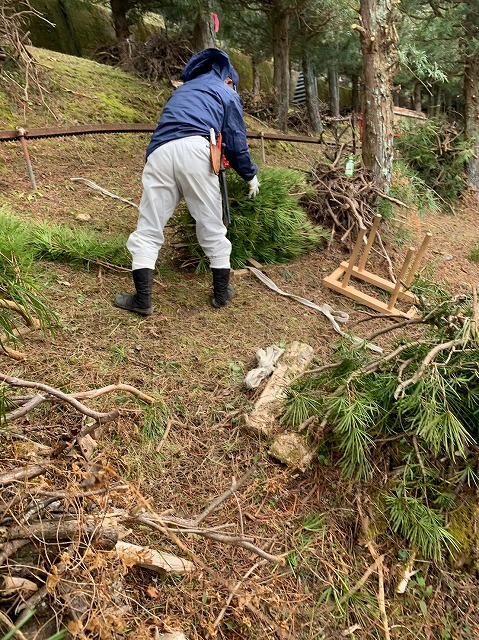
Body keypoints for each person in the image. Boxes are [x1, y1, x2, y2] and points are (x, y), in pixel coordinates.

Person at [114, 47, 259, 316]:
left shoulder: (183, 89)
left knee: (149, 226)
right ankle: (221, 293)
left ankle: (142, 299)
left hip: (159, 152)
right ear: (229, 80)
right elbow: (237, 141)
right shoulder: (225, 91)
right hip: (196, 150)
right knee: (211, 223)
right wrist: (250, 174)